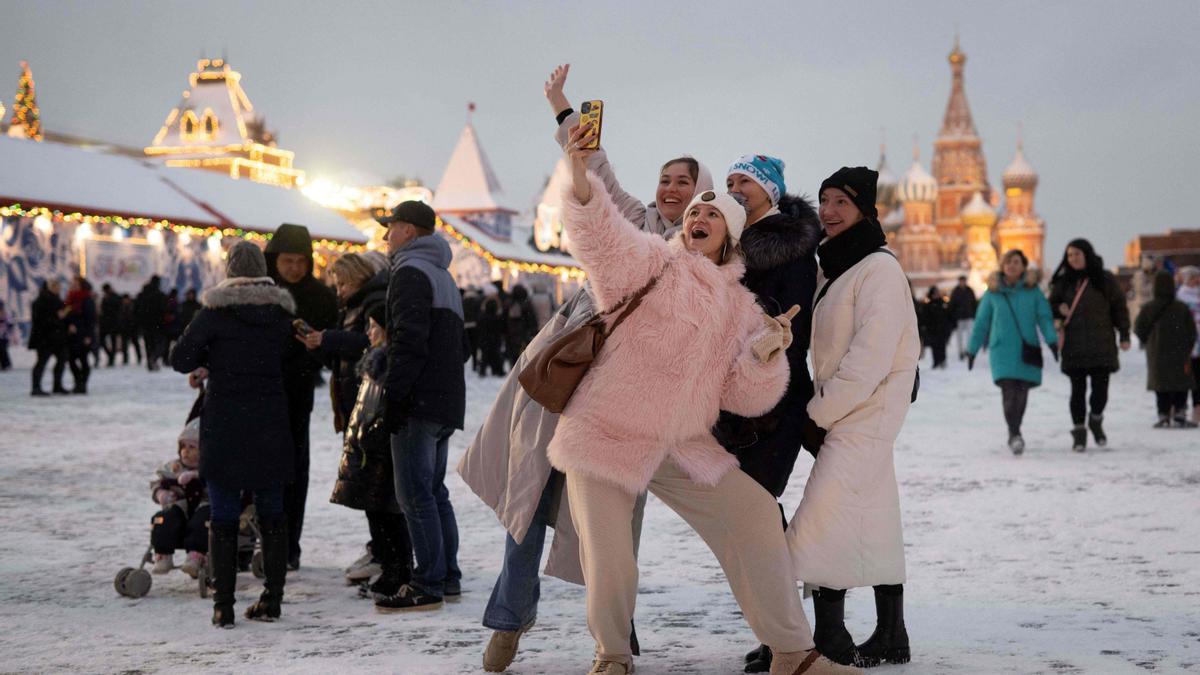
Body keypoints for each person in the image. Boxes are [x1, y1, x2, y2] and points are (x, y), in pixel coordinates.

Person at [553, 132, 855, 675]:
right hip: (606, 430)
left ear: (729, 236)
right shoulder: (645, 263)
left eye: (711, 216)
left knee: (757, 515)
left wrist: (769, 353)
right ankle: (612, 656)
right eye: (695, 211)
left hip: (680, 442)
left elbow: (744, 394)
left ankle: (793, 652)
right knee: (609, 555)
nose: (698, 218)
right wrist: (578, 168)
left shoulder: (739, 307)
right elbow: (596, 230)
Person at [461, 64, 716, 674]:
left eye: (684, 182)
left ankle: (617, 635)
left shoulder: (706, 252)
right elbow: (594, 166)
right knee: (531, 498)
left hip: (628, 405)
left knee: (616, 519)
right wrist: (560, 104)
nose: (671, 190)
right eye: (665, 180)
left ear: (704, 193)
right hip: (567, 374)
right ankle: (508, 621)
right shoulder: (635, 220)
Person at [787, 167, 920, 669]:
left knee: (820, 521)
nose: (829, 211)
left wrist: (817, 414)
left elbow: (870, 356)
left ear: (866, 208)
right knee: (873, 514)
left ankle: (829, 636)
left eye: (841, 201)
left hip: (866, 410)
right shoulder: (839, 265)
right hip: (850, 408)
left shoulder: (878, 268)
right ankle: (892, 633)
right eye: (824, 200)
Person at [718, 153, 822, 675]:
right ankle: (774, 630)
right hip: (728, 397)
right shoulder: (725, 241)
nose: (735, 186)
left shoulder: (791, 247)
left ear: (769, 190)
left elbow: (792, 327)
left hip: (774, 397)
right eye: (730, 179)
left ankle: (785, 634)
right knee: (745, 520)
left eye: (746, 180)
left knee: (759, 512)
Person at [170, 241, 297, 628]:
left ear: (229, 270)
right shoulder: (281, 314)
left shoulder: (215, 312)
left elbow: (181, 359)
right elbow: (295, 359)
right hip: (270, 420)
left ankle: (222, 605)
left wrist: (212, 361)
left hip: (226, 422)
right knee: (273, 511)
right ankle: (272, 599)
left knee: (223, 513)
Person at [374, 200, 466, 613]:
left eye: (390, 227)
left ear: (409, 231)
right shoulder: (443, 273)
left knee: (414, 494)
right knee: (434, 491)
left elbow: (408, 341)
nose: (385, 235)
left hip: (419, 399)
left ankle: (427, 582)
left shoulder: (410, 273)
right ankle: (447, 576)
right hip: (445, 399)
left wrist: (395, 397)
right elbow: (459, 346)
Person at [295, 251, 391, 579]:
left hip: (369, 401)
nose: (338, 290)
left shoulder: (373, 300)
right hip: (354, 399)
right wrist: (320, 345)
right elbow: (348, 351)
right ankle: (379, 549)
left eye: (342, 283)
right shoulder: (354, 304)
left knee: (374, 482)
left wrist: (328, 339)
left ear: (357, 277)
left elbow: (368, 342)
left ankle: (386, 554)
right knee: (365, 482)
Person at [264, 223, 338, 570]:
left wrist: (313, 349)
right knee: (259, 470)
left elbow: (332, 351)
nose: (294, 268)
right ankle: (256, 540)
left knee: (294, 470)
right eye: (287, 261)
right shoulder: (259, 293)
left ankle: (289, 545)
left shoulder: (321, 297)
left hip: (297, 393)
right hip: (258, 394)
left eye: (300, 261)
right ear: (274, 260)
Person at [329, 305, 414, 599]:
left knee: (388, 514)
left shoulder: (387, 364)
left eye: (373, 326)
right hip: (368, 450)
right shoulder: (374, 361)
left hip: (378, 452)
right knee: (377, 513)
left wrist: (371, 435)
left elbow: (381, 409)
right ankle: (390, 568)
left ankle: (398, 570)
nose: (368, 332)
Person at [966, 250, 1059, 454]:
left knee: (1022, 391)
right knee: (1009, 391)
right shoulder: (993, 293)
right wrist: (972, 349)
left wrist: (1052, 341)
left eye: (1016, 262)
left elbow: (1044, 317)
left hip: (1026, 349)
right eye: (1008, 262)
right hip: (1002, 350)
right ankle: (1014, 432)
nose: (1011, 266)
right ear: (1002, 266)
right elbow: (982, 323)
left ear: (1024, 266)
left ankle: (1015, 431)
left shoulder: (1033, 292)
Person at [1048, 238, 1131, 452]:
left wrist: (1124, 334)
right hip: (1074, 345)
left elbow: (1119, 307)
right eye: (1069, 255)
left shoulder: (1104, 279)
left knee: (1100, 391)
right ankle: (1079, 433)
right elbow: (1050, 308)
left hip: (1101, 344)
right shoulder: (1062, 282)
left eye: (1077, 254)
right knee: (1077, 390)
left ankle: (1095, 419)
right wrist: (1059, 311)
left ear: (1087, 255)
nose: (1073, 259)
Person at [1134, 271, 1198, 428]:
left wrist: (1147, 341)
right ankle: (1180, 412)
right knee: (1180, 383)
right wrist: (1188, 347)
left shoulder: (1148, 308)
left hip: (1157, 353)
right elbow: (1192, 332)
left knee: (1161, 384)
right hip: (1180, 352)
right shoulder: (1181, 307)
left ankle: (1163, 414)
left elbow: (1139, 328)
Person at [149, 418, 210, 578]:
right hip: (180, 507)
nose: (186, 451)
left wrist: (197, 477)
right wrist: (161, 494)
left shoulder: (209, 468)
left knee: (202, 522)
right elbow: (157, 482)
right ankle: (163, 553)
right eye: (183, 447)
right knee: (162, 519)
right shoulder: (173, 467)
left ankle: (196, 555)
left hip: (203, 506)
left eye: (192, 447)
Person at [29, 280, 70, 395]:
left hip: (56, 338)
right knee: (42, 362)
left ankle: (57, 385)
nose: (58, 289)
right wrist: (58, 318)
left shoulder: (56, 300)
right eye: (56, 286)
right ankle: (36, 387)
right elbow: (40, 320)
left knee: (61, 359)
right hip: (45, 338)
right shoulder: (42, 301)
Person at [65, 276, 97, 394]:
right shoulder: (69, 298)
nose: (72, 285)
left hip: (83, 334)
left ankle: (82, 385)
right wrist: (69, 324)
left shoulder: (87, 299)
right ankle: (78, 382)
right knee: (72, 360)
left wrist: (88, 335)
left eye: (75, 284)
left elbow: (90, 318)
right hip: (73, 335)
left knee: (83, 360)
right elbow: (66, 314)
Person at [1176, 266, 1200, 423]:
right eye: (1194, 279)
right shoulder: (1181, 296)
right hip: (1188, 343)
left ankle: (1197, 410)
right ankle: (1182, 409)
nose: (1197, 282)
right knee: (1189, 377)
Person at [135, 276, 167, 371]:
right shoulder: (159, 294)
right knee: (160, 344)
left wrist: (139, 321)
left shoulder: (142, 294)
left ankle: (150, 361)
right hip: (157, 323)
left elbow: (136, 309)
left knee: (148, 344)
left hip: (145, 323)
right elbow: (164, 309)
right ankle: (154, 358)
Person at [503, 284, 538, 368]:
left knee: (513, 353)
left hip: (511, 333)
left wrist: (504, 331)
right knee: (524, 352)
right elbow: (531, 319)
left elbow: (503, 319)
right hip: (523, 332)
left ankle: (514, 367)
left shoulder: (508, 304)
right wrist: (533, 330)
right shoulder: (526, 304)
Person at [919, 286, 952, 369]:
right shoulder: (928, 305)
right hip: (933, 330)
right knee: (935, 347)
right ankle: (936, 361)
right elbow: (925, 317)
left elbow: (948, 316)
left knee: (942, 346)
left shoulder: (943, 303)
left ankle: (942, 360)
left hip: (942, 329)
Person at [477, 284, 507, 377]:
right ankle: (498, 370)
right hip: (495, 339)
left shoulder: (482, 317)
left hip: (485, 338)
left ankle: (482, 371)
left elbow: (480, 328)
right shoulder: (498, 318)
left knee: (484, 355)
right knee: (496, 355)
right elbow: (502, 328)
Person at [948, 275, 978, 360]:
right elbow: (952, 305)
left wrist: (974, 314)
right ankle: (960, 352)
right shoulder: (955, 291)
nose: (963, 283)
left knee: (970, 335)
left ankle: (968, 351)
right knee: (959, 337)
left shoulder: (970, 291)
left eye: (964, 281)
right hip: (959, 318)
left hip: (969, 316)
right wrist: (953, 316)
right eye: (961, 281)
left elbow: (974, 303)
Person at [98, 284, 121, 367]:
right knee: (103, 341)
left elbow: (116, 309)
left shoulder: (115, 297)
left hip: (112, 323)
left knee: (113, 341)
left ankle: (111, 358)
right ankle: (111, 356)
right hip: (106, 324)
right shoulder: (106, 298)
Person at [118, 293, 141, 365]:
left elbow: (136, 317)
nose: (125, 301)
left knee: (135, 344)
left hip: (132, 328)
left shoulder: (133, 306)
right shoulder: (122, 307)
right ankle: (125, 358)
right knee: (124, 345)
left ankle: (139, 357)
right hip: (124, 329)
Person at [0, 301, 12, 370]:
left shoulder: (6, 315)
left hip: (4, 336)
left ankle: (6, 364)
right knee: (2, 351)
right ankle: (5, 364)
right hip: (3, 335)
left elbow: (10, 324)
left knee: (3, 350)